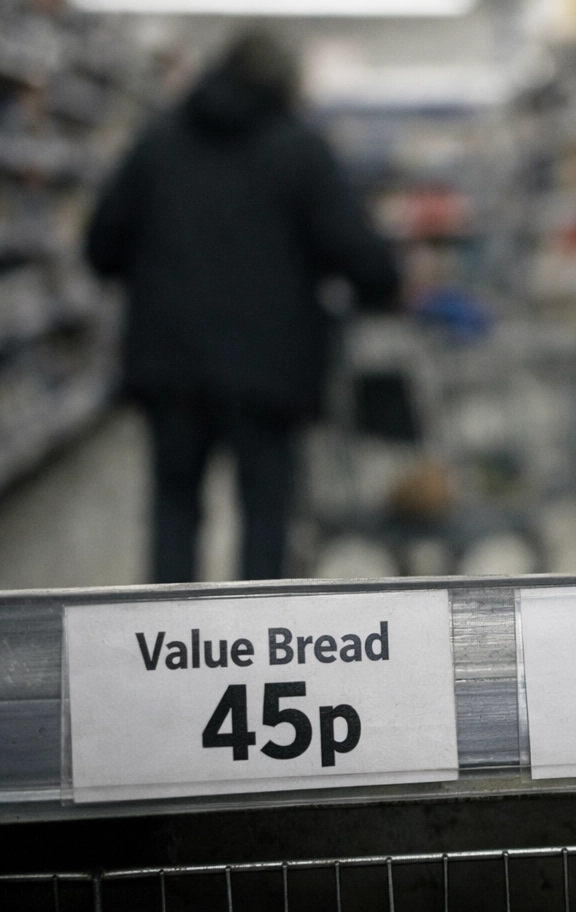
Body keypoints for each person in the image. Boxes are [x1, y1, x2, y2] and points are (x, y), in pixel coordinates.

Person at [85, 29, 399, 583]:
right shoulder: (300, 150)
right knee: (266, 520)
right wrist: (385, 290)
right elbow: (362, 257)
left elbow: (101, 247)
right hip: (270, 373)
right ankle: (260, 654)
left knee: (175, 511)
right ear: (286, 84)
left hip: (170, 366)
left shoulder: (158, 141)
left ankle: (167, 652)